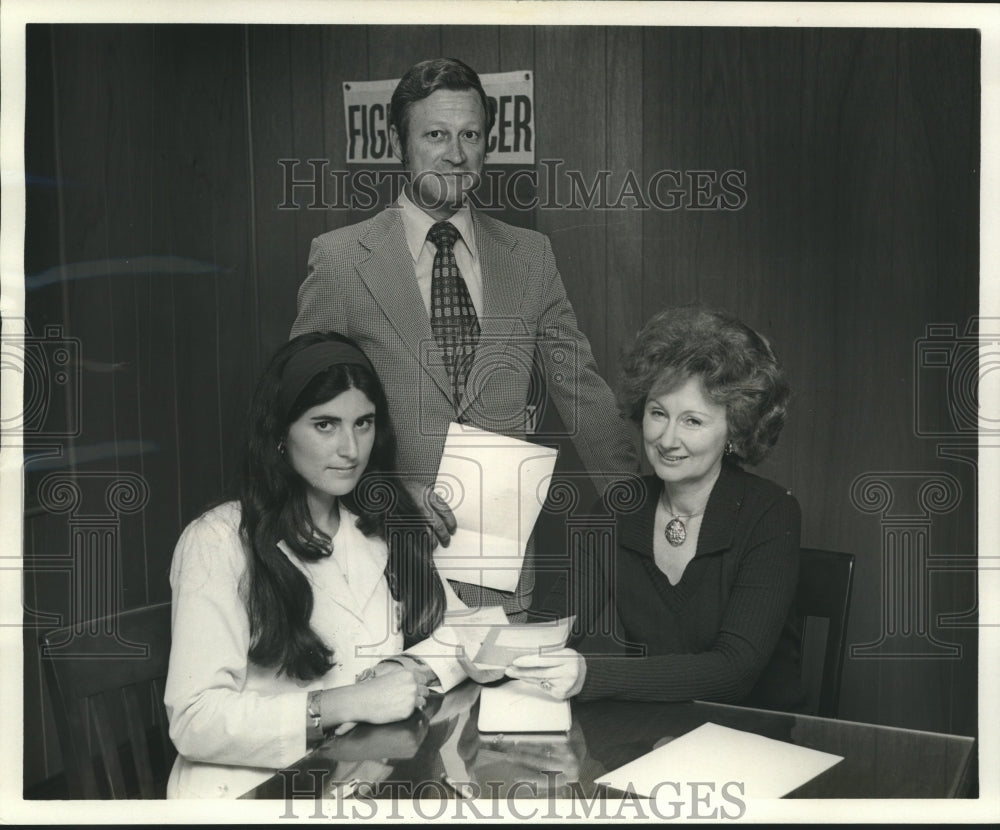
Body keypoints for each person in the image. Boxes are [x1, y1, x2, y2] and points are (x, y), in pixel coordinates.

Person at [290, 58, 637, 618]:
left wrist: (639, 505)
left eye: (470, 135)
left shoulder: (530, 256)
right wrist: (389, 486)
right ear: (398, 143)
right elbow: (302, 407)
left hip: (496, 573)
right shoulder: (343, 258)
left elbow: (582, 389)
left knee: (490, 706)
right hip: (374, 554)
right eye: (436, 135)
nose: (456, 153)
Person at [164, 332, 476, 799]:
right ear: (279, 436)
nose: (350, 448)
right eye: (325, 425)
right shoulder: (218, 541)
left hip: (350, 783)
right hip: (248, 795)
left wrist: (405, 666)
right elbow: (194, 720)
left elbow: (470, 632)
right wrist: (340, 704)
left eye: (364, 423)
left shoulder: (378, 525)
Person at [506, 306, 805, 712]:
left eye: (693, 422)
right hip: (651, 736)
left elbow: (734, 673)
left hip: (754, 740)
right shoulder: (616, 510)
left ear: (734, 429)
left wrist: (590, 676)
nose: (667, 439)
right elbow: (552, 628)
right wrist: (480, 650)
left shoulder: (771, 514)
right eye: (658, 413)